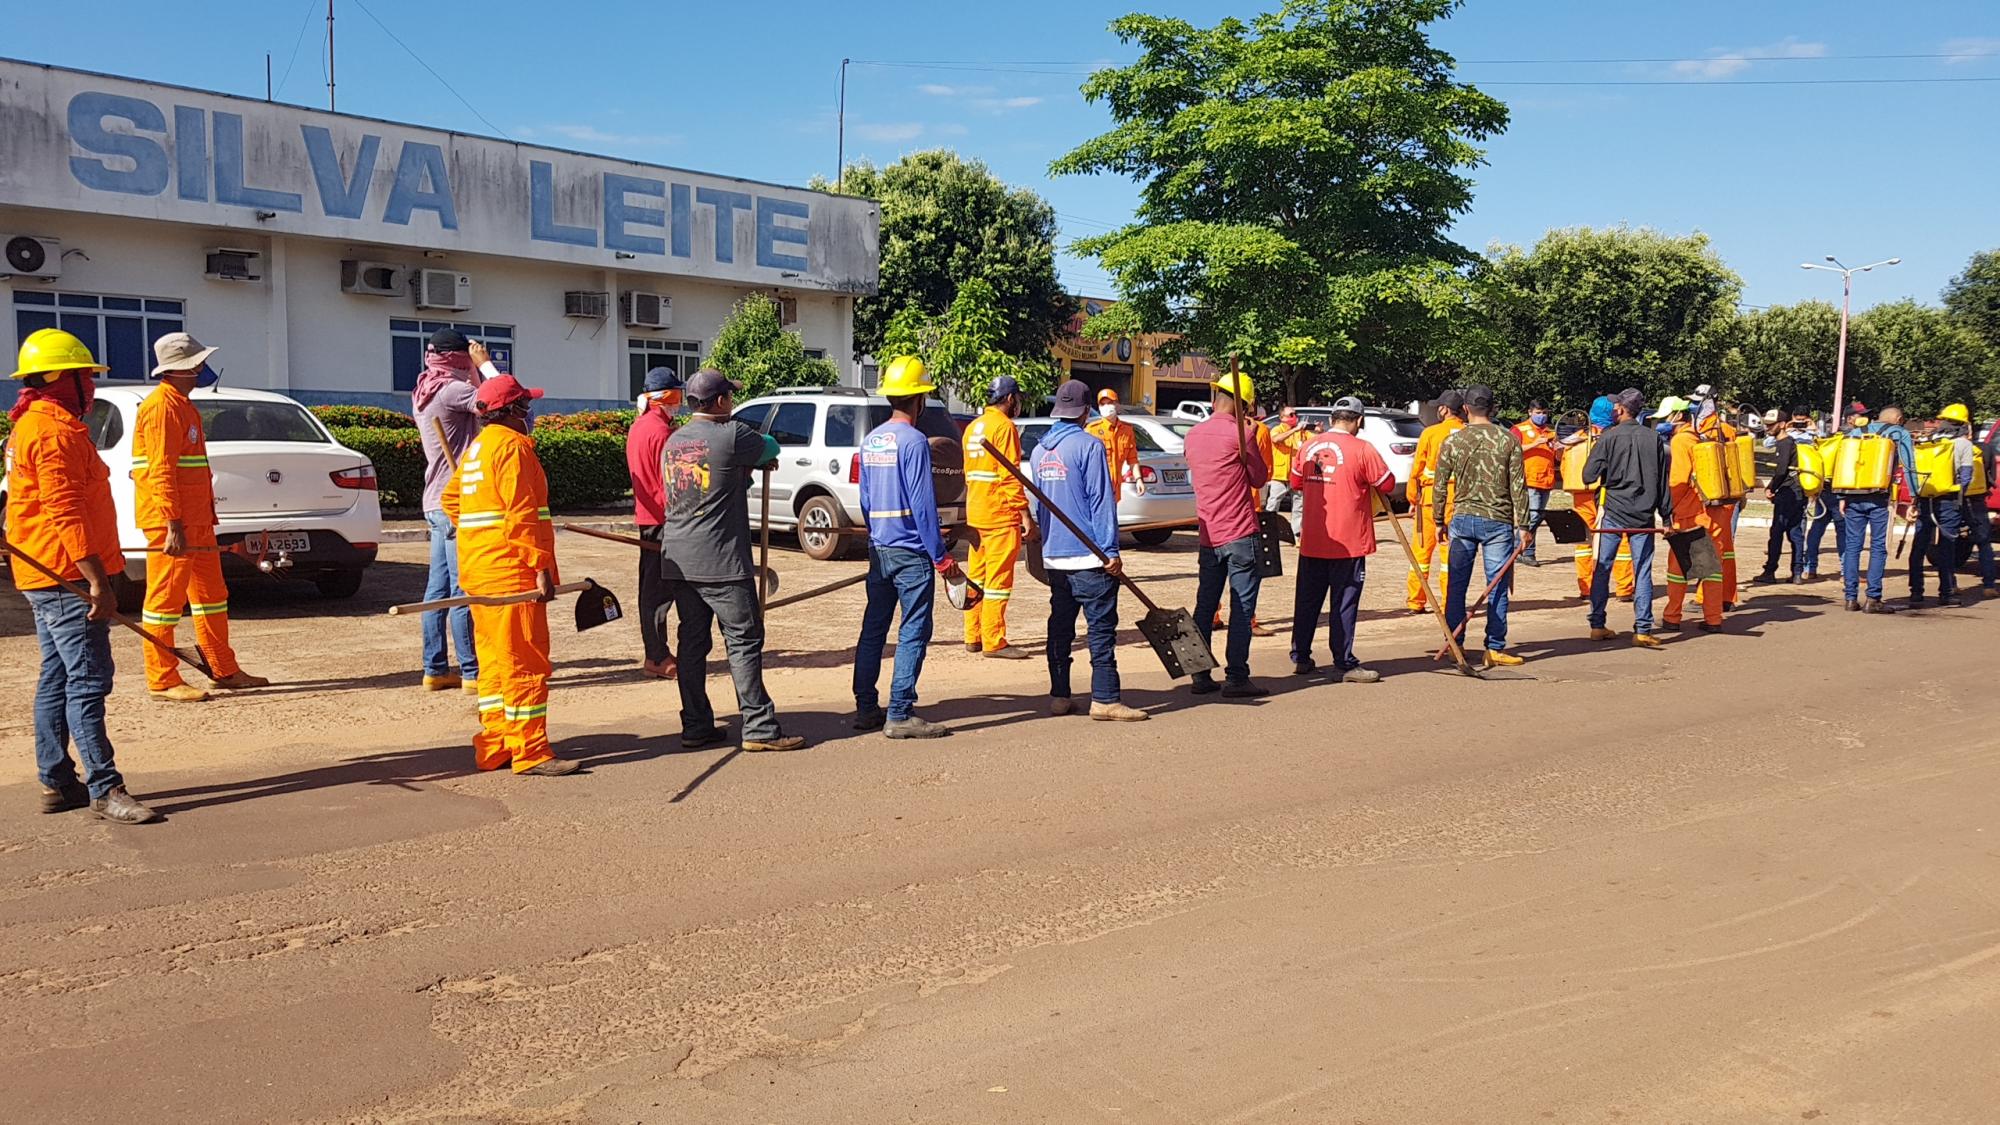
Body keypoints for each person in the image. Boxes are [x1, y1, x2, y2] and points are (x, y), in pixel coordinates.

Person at [6, 329, 157, 823]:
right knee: (88, 680)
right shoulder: (53, 432)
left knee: (58, 676)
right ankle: (105, 787)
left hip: (42, 572)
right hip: (65, 574)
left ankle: (56, 780)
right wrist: (96, 580)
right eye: (85, 377)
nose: (90, 386)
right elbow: (63, 510)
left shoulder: (35, 423)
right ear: (59, 379)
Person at [658, 370, 808, 752]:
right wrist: (755, 462)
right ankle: (758, 727)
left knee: (692, 642)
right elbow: (770, 447)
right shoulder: (732, 434)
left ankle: (695, 724)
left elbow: (718, 478)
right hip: (721, 561)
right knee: (743, 641)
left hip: (678, 557)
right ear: (722, 401)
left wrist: (745, 470)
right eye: (731, 398)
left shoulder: (674, 442)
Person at [440, 373, 579, 776]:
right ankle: (530, 752)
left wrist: (480, 533)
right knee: (525, 663)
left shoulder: (478, 449)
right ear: (513, 411)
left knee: (495, 664)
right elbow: (521, 515)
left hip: (480, 572)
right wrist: (539, 567)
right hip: (512, 574)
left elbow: (451, 500)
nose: (530, 413)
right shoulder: (514, 448)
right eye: (526, 405)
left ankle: (496, 746)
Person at [134, 333, 270, 702]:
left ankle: (223, 669)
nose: (202, 369)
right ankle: (162, 679)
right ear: (184, 369)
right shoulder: (162, 407)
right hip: (174, 524)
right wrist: (172, 523)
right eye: (197, 364)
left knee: (211, 596)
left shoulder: (181, 404)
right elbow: (160, 470)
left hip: (195, 522)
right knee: (164, 602)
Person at [853, 357, 966, 738]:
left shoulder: (871, 441)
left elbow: (866, 501)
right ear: (919, 400)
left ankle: (866, 706)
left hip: (880, 548)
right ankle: (899, 712)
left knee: (874, 629)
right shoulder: (914, 441)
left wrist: (877, 538)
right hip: (911, 553)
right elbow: (922, 505)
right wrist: (941, 556)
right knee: (914, 630)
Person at [1030, 381, 1146, 721]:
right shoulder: (1089, 446)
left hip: (1055, 556)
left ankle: (1060, 695)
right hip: (1089, 555)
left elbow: (1040, 507)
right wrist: (1110, 551)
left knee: (1061, 626)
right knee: (1100, 627)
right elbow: (1101, 501)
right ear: (1085, 411)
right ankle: (1106, 699)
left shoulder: (1040, 451)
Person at [1288, 396, 1394, 681]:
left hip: (1313, 537)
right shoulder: (1362, 448)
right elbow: (1387, 483)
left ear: (1334, 417)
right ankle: (1344, 661)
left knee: (1307, 600)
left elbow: (1295, 482)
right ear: (1358, 421)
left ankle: (1301, 656)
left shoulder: (1308, 446)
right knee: (1344, 602)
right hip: (1348, 541)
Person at [1183, 369, 1270, 698]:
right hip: (1239, 532)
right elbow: (1259, 479)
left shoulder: (1193, 435)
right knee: (1242, 608)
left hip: (1208, 534)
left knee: (1205, 606)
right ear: (1245, 406)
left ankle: (1200, 674)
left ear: (1213, 397)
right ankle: (1236, 677)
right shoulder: (1242, 435)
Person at [413, 327, 487, 694]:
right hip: (456, 500)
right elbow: (501, 401)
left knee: (438, 589)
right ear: (459, 358)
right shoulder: (455, 390)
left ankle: (435, 668)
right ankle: (473, 671)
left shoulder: (425, 387)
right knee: (462, 589)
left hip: (434, 499)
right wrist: (485, 364)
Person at [1433, 385, 1529, 668]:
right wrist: (1524, 524)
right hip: (1497, 520)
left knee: (1456, 586)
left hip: (1462, 518)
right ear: (1492, 407)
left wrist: (1438, 519)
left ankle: (1454, 643)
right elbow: (1519, 487)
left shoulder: (1453, 441)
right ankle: (1495, 647)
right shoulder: (1508, 440)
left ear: (1465, 409)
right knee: (1496, 585)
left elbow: (1440, 484)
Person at [1580, 389, 1670, 646]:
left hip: (1613, 513)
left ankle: (1597, 625)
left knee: (1602, 567)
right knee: (1642, 570)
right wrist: (1668, 517)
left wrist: (1605, 464)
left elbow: (1588, 476)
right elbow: (1663, 483)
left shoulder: (1608, 438)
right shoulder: (1654, 439)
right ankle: (1642, 630)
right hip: (1643, 516)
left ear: (1619, 409)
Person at [961, 375, 1034, 659]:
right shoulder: (1004, 428)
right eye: (1018, 398)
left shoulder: (973, 427)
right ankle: (994, 641)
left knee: (976, 578)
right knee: (998, 582)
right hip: (1000, 515)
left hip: (976, 513)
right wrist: (1025, 515)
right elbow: (1010, 477)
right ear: (1010, 399)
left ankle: (973, 636)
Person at [626, 367, 682, 679]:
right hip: (664, 519)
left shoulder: (639, 426)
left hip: (650, 518)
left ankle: (657, 652)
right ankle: (657, 655)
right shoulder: (661, 433)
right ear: (662, 398)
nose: (679, 403)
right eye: (675, 396)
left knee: (651, 589)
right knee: (658, 593)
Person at [1657, 395, 1729, 632]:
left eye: (1665, 417)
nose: (1663, 422)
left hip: (1690, 515)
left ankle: (1672, 617)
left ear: (1678, 416)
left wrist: (1667, 512)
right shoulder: (1699, 439)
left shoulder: (1680, 442)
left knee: (1678, 569)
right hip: (1712, 512)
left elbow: (1677, 482)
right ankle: (1713, 618)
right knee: (1710, 569)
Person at [1838, 403, 1918, 614]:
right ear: (1899, 419)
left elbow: (1844, 464)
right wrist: (1914, 498)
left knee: (1852, 546)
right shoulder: (1899, 433)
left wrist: (1841, 496)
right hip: (1880, 498)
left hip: (1852, 494)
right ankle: (1873, 598)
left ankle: (1850, 598)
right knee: (1878, 546)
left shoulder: (1855, 433)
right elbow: (1910, 466)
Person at [1559, 396, 1635, 600]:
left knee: (1583, 542)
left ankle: (1586, 587)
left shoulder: (1575, 439)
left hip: (1579, 496)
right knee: (1621, 540)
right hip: (1606, 495)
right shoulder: (1614, 437)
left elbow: (1565, 468)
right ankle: (1624, 588)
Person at [1908, 404, 1975, 609]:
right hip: (1949, 499)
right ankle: (1946, 592)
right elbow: (1966, 477)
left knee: (1920, 544)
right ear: (1964, 424)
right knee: (1947, 547)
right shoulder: (1963, 444)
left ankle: (1916, 592)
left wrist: (1915, 500)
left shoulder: (1928, 441)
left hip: (1925, 497)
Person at [1404, 391, 1465, 611]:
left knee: (1422, 552)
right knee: (1450, 557)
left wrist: (1413, 498)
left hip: (1430, 501)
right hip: (1460, 502)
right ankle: (1449, 602)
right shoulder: (1468, 433)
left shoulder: (1431, 433)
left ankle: (1416, 600)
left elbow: (1417, 468)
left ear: (1445, 409)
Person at [1753, 408, 1814, 585]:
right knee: (1795, 533)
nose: (1768, 428)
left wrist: (1771, 488)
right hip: (1796, 492)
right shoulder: (1787, 442)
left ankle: (1770, 571)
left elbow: (1781, 471)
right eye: (1767, 425)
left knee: (1777, 533)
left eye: (1772, 425)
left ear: (1781, 425)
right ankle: (1796, 572)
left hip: (1789, 492)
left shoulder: (1785, 443)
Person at [1948, 402, 1995, 593]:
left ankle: (1950, 585)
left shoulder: (1947, 447)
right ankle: (1989, 585)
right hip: (1976, 501)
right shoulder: (1986, 449)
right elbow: (1991, 478)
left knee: (1949, 540)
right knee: (1983, 542)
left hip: (1952, 497)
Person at [1511, 401, 1557, 566]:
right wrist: (1535, 443)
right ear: (1530, 412)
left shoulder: (1551, 432)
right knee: (1532, 517)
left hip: (1546, 479)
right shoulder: (1519, 429)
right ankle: (1520, 549)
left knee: (1536, 518)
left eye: (1545, 412)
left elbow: (1556, 456)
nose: (1542, 415)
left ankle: (1524, 550)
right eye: (1538, 411)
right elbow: (1512, 450)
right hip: (1528, 479)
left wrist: (1558, 447)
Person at [1086, 388, 1143, 503]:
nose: (1106, 406)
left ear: (1117, 404)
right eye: (1103, 404)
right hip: (1097, 491)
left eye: (1110, 403)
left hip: (1115, 491)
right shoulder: (1092, 430)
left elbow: (1132, 459)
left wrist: (1139, 479)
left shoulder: (1127, 430)